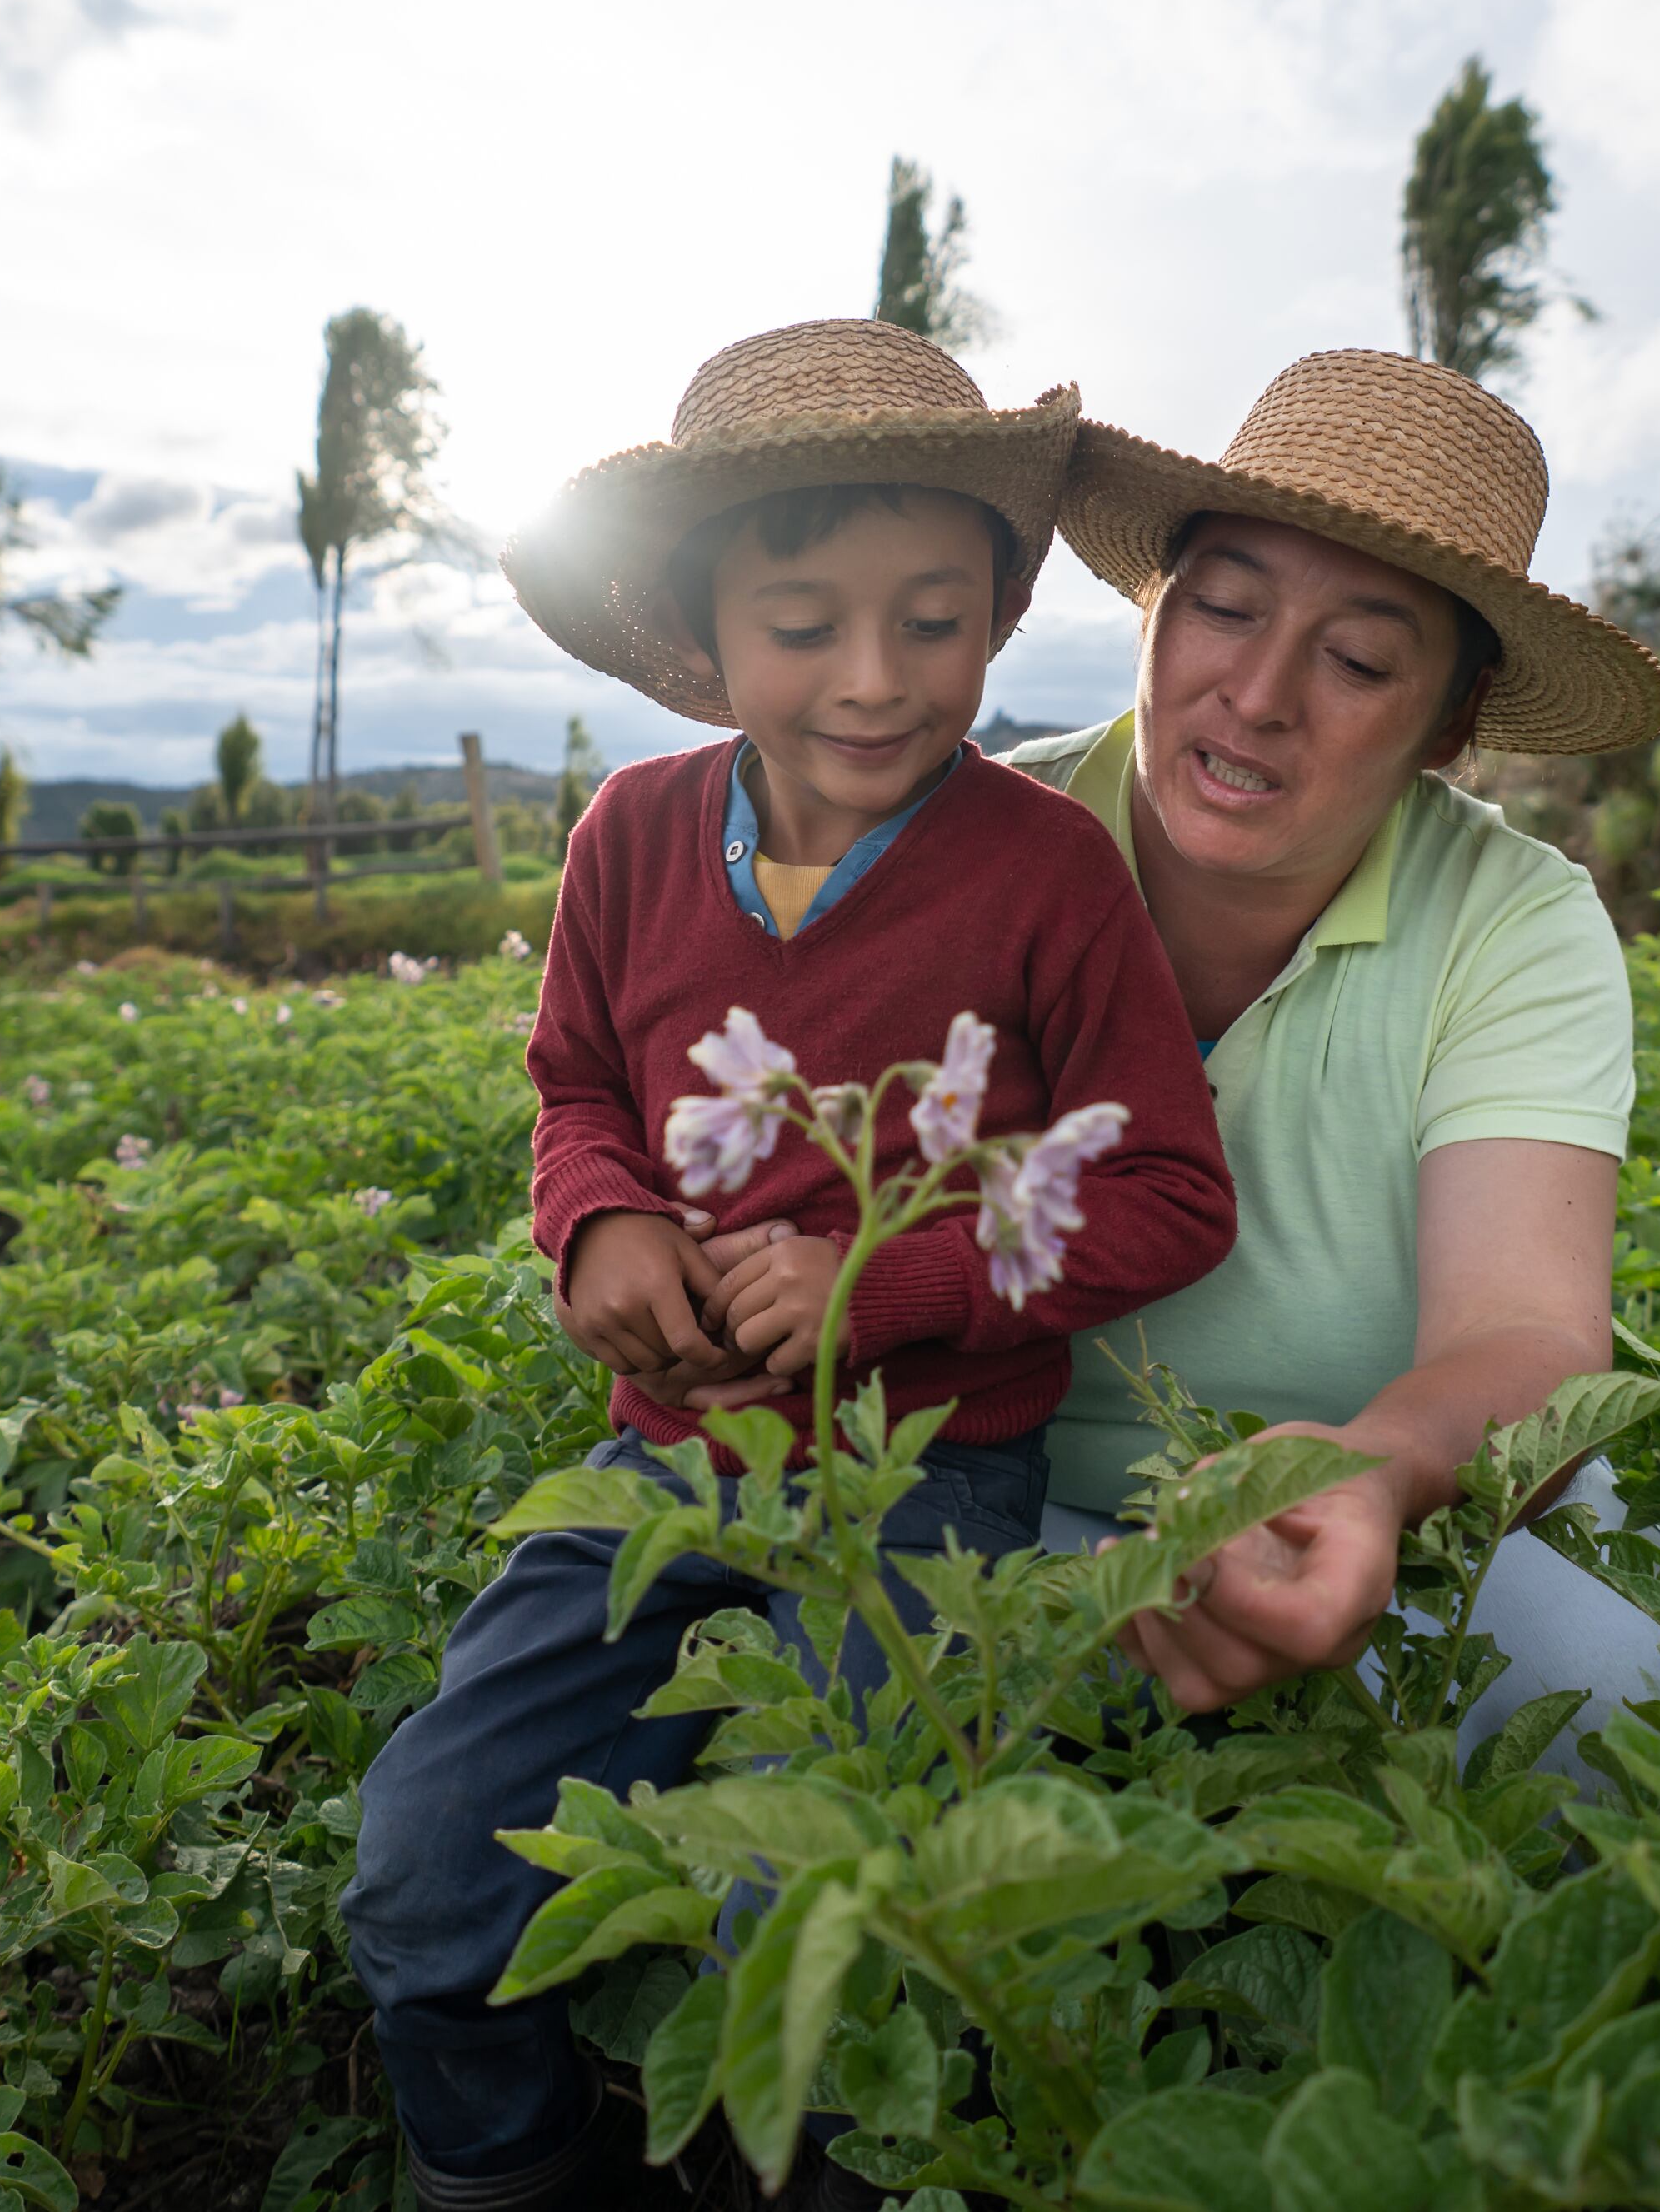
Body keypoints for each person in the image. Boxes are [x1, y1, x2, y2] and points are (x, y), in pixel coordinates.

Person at [340, 318, 1239, 2212]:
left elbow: (1164, 1190)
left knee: (802, 1920)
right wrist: (596, 1220)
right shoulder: (633, 834)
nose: (872, 677)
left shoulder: (1045, 871)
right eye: (804, 620)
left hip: (932, 1479)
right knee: (425, 1868)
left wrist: (884, 1285)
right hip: (663, 1465)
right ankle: (500, 2172)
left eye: (932, 618)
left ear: (998, 620)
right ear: (704, 631)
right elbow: (575, 1081)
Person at [997, 347, 1660, 1751]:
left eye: (1361, 658)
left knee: (1639, 1719)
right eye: (1225, 607)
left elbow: (1527, 1337)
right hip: (1002, 1503)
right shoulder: (974, 845)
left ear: (1450, 727)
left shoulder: (1516, 921)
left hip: (1385, 1512)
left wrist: (1358, 1476)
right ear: (1154, 610)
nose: (1256, 695)